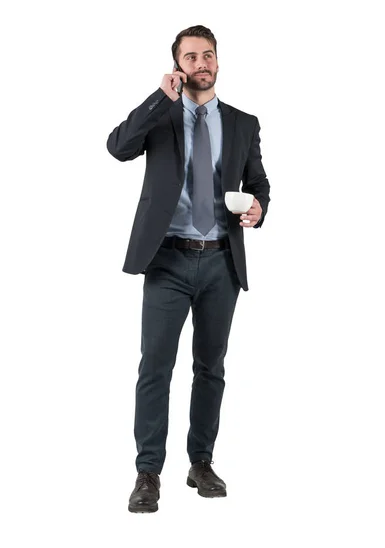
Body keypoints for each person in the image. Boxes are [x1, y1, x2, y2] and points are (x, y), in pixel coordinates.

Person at [107, 25, 271, 513]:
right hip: (168, 260)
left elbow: (259, 182)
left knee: (210, 369)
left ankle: (201, 463)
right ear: (179, 64)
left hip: (222, 259)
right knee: (155, 367)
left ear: (218, 61)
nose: (202, 63)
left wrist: (259, 207)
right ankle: (147, 472)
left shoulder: (244, 122)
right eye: (191, 56)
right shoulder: (162, 118)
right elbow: (117, 146)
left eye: (209, 55)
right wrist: (160, 98)